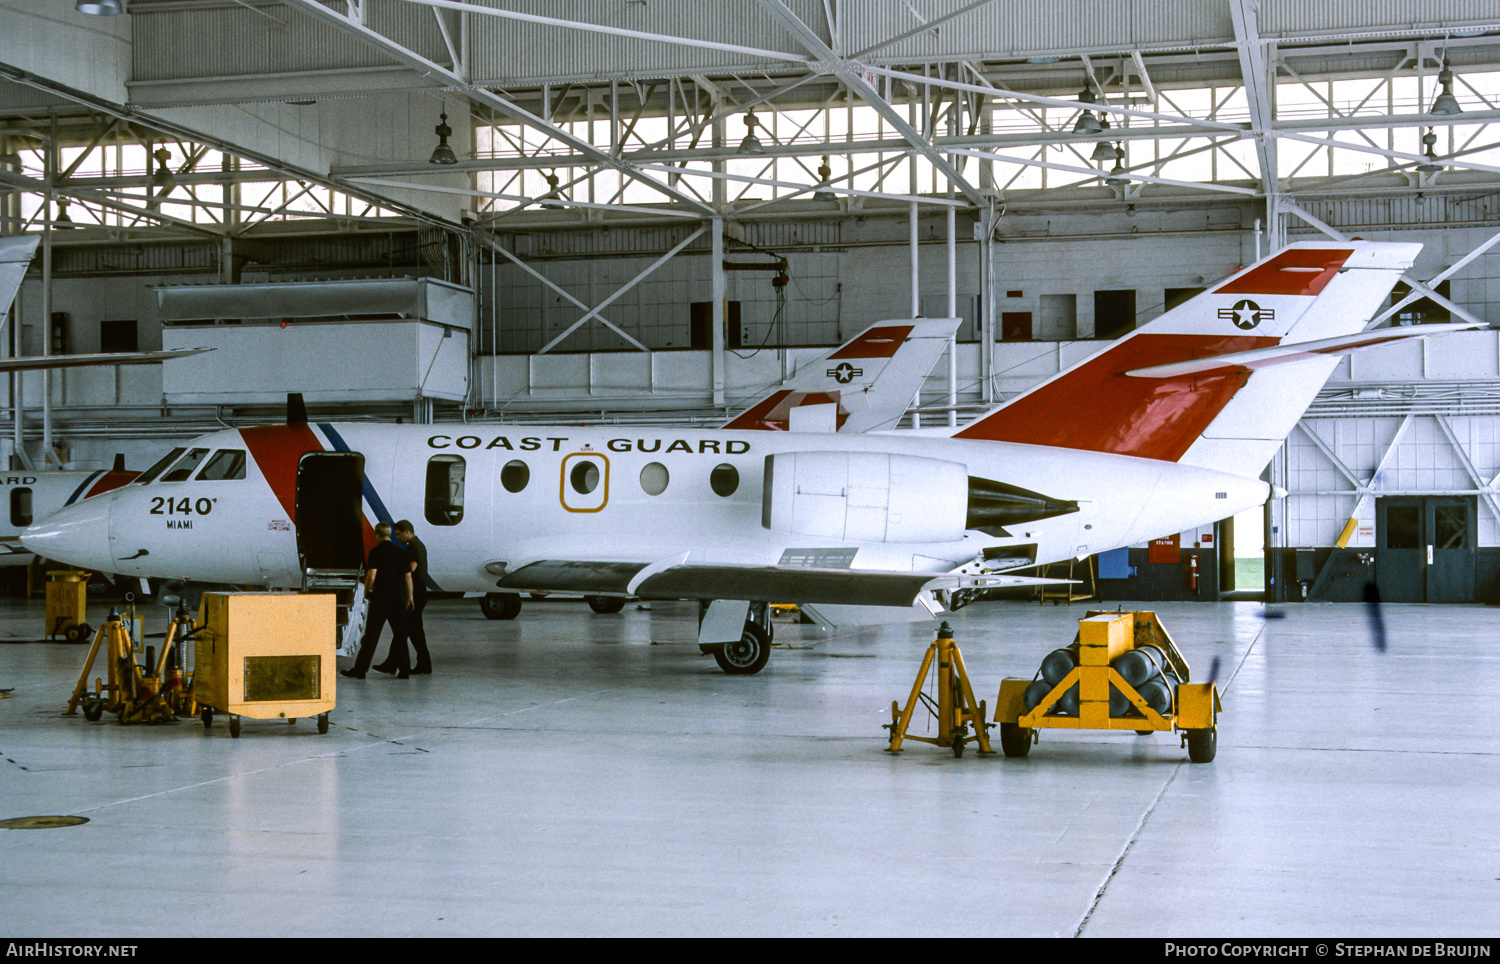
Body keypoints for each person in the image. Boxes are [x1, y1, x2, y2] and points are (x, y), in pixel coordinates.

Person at [340, 522, 414, 680]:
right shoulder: (401, 552)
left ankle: (360, 670)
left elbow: (371, 575)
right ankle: (404, 671)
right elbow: (408, 577)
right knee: (400, 635)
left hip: (381, 597)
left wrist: (367, 591)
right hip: (398, 597)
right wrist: (410, 597)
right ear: (390, 534)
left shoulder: (376, 552)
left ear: (377, 535)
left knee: (371, 636)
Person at [375, 520, 431, 675]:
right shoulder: (418, 545)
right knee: (414, 631)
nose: (398, 538)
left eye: (399, 534)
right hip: (420, 592)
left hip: (415, 594)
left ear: (407, 532)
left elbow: (411, 568)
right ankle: (424, 665)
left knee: (403, 630)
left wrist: (396, 577)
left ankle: (392, 664)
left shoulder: (412, 547)